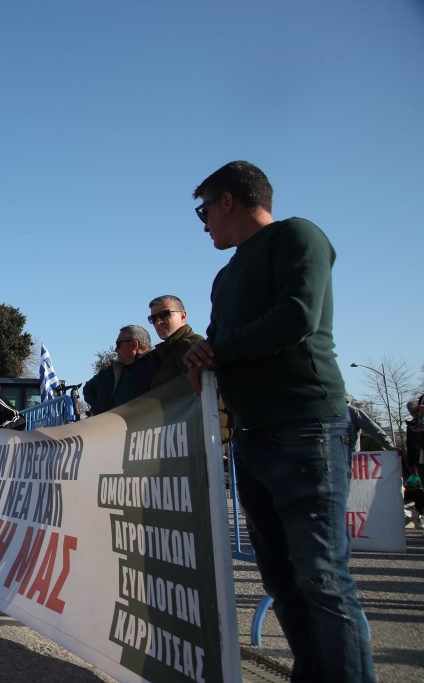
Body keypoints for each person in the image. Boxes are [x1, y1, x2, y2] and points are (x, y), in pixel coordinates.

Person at [182, 160, 374, 681]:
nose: (203, 225)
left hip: (305, 427)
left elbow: (296, 316)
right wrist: (201, 354)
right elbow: (219, 341)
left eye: (204, 210)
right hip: (253, 438)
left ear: (228, 201)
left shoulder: (298, 236)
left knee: (323, 578)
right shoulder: (225, 277)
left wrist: (220, 351)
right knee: (283, 581)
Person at [82, 325, 157, 415]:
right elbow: (88, 390)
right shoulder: (110, 374)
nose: (115, 349)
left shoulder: (159, 366)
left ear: (134, 345)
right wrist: (102, 409)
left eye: (118, 344)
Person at [148, 295, 203, 389]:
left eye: (164, 315)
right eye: (153, 318)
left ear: (183, 316)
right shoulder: (163, 354)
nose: (158, 322)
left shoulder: (192, 346)